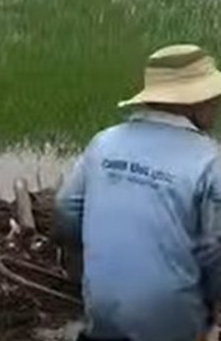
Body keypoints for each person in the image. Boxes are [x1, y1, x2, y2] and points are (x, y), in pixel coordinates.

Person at [56, 44, 221, 341]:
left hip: (102, 317)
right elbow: (215, 251)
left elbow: (66, 209)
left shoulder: (104, 143)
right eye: (213, 98)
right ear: (194, 103)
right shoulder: (210, 161)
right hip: (174, 325)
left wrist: (84, 267)